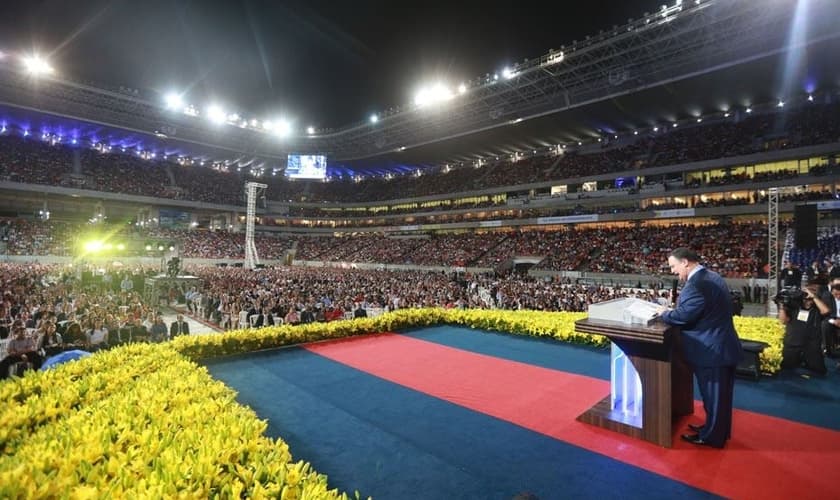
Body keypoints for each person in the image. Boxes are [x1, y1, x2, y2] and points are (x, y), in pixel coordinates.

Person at [657, 248, 742, 448]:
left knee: (714, 397)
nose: (673, 271)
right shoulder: (711, 276)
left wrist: (664, 313)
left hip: (711, 350)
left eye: (673, 266)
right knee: (716, 397)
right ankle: (713, 429)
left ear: (685, 262)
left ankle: (712, 437)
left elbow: (683, 316)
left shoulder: (696, 284)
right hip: (718, 346)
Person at [775, 288, 827, 376]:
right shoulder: (794, 305)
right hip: (793, 342)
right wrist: (781, 306)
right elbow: (783, 321)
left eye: (809, 298)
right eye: (804, 297)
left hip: (811, 344)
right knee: (786, 366)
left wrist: (814, 297)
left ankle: (805, 361)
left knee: (819, 370)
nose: (807, 300)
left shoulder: (817, 308)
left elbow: (825, 311)